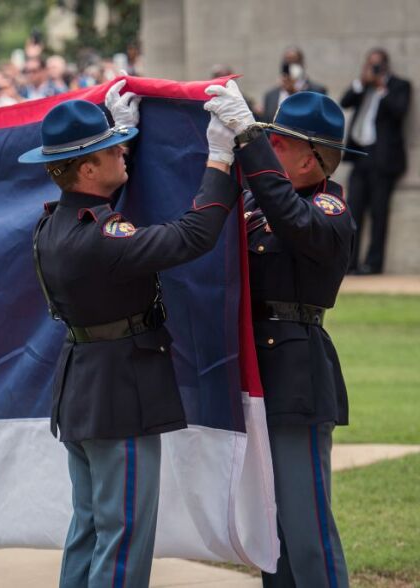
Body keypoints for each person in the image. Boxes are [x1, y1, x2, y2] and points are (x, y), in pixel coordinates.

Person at [18, 81, 240, 587]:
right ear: (87, 168)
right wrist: (220, 160)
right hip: (120, 394)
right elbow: (194, 235)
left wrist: (123, 132)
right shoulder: (100, 238)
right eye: (108, 149)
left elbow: (104, 200)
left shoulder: (56, 224)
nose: (121, 150)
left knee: (90, 527)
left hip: (84, 389)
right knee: (125, 535)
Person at [205, 81, 358, 587]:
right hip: (253, 379)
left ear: (312, 160)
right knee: (271, 538)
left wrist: (248, 138)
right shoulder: (257, 202)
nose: (267, 149)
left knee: (307, 532)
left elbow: (292, 221)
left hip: (296, 378)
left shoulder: (329, 211)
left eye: (279, 143)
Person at [340, 48, 412, 274]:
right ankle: (349, 264)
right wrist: (362, 82)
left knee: (379, 214)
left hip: (383, 161)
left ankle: (373, 264)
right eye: (370, 64)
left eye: (377, 65)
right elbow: (345, 102)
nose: (373, 69)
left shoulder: (400, 86)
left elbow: (400, 111)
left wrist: (382, 88)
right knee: (353, 212)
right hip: (359, 156)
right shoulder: (363, 87)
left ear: (386, 66)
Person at [259, 46, 326, 123]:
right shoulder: (270, 95)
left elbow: (316, 120)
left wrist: (293, 93)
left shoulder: (317, 91)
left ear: (302, 64)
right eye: (287, 62)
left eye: (294, 61)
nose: (290, 66)